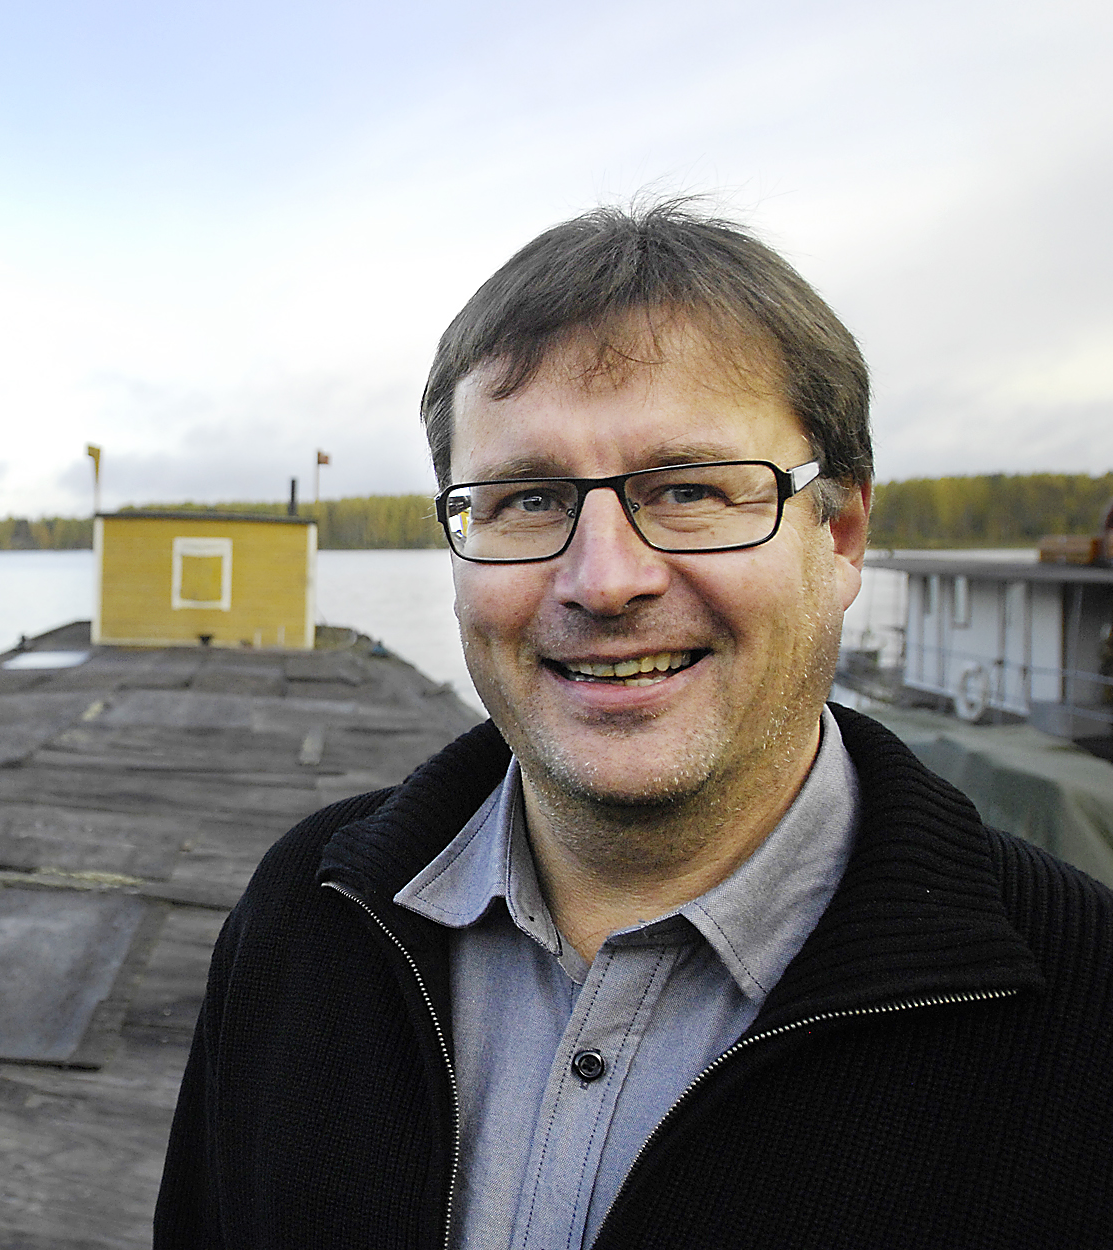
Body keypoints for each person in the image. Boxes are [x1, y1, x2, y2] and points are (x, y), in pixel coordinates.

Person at [154, 202, 1113, 1249]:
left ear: (839, 536)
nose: (604, 580)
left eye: (689, 489)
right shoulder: (305, 917)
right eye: (526, 499)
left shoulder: (1085, 1010)